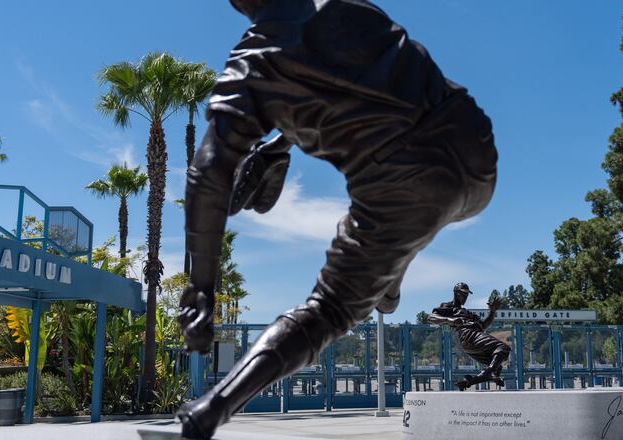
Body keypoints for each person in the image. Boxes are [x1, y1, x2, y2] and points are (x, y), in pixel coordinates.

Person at [176, 0, 498, 438]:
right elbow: (349, 76)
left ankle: (212, 408)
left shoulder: (254, 63)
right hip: (474, 149)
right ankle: (391, 266)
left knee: (327, 311)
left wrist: (201, 287)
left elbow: (208, 171)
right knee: (398, 217)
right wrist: (280, 142)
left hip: (402, 188)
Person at [427, 282, 510, 390]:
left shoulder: (468, 313)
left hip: (474, 338)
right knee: (503, 348)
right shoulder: (449, 307)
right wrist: (449, 320)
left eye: (467, 295)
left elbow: (484, 325)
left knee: (497, 365)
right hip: (469, 335)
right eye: (463, 294)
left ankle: (469, 382)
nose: (465, 297)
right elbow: (431, 317)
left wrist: (492, 312)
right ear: (456, 293)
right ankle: (487, 373)